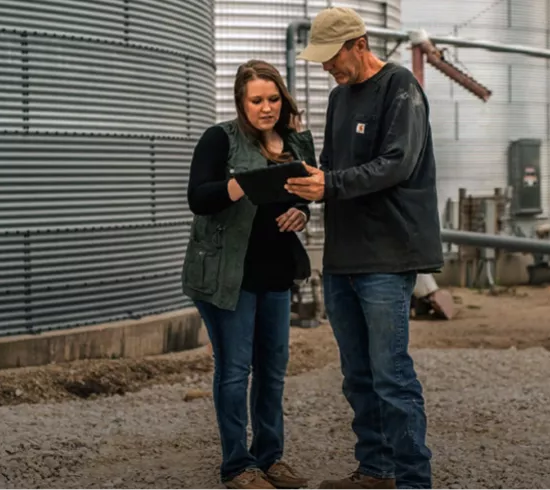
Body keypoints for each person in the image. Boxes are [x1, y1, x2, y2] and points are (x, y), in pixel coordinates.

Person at [285, 7, 444, 490]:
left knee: (391, 376)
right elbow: (330, 169)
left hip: (388, 255)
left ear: (359, 43)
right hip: (343, 258)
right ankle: (376, 471)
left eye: (332, 56)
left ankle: (414, 480)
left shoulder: (401, 90)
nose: (326, 66)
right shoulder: (339, 98)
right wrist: (305, 197)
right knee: (357, 376)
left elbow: (397, 163)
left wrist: (328, 186)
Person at [181, 59, 317, 490]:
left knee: (273, 370)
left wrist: (301, 211)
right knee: (236, 370)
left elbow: (307, 195)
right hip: (228, 276)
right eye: (256, 100)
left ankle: (270, 459)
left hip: (275, 274)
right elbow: (198, 198)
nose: (266, 107)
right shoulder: (219, 139)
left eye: (273, 98)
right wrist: (244, 183)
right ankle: (237, 466)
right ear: (241, 102)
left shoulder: (297, 142)